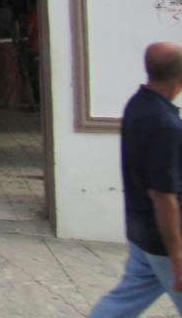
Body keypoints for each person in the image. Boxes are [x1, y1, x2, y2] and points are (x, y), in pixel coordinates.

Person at [89, 41, 182, 317]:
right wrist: (176, 255)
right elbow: (163, 196)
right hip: (163, 241)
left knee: (123, 301)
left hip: (142, 233)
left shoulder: (137, 104)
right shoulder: (165, 125)